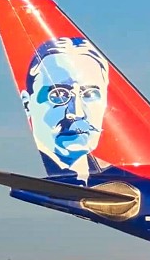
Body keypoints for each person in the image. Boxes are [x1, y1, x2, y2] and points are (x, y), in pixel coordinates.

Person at [20, 37, 110, 182]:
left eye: (89, 94)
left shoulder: (123, 176)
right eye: (59, 95)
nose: (77, 113)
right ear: (27, 104)